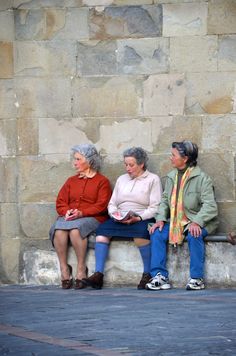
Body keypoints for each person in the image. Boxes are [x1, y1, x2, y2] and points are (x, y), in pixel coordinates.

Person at [82, 147, 163, 290]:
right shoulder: (121, 179)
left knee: (141, 235)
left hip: (141, 217)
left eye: (131, 165)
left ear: (141, 164)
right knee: (101, 233)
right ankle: (98, 275)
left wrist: (138, 218)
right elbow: (112, 203)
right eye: (125, 164)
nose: (127, 168)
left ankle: (147, 274)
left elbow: (155, 207)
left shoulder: (152, 179)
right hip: (120, 217)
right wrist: (115, 215)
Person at [145, 140, 218, 291]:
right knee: (157, 233)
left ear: (185, 159)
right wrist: (160, 219)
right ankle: (159, 276)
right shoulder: (172, 176)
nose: (170, 158)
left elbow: (210, 206)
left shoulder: (202, 178)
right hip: (176, 221)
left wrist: (197, 222)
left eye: (173, 155)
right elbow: (165, 200)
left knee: (194, 234)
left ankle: (197, 278)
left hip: (198, 221)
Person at [49, 144, 112, 289]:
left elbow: (102, 205)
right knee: (58, 230)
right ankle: (64, 268)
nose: (74, 163)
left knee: (76, 230)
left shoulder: (102, 181)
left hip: (93, 217)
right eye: (74, 159)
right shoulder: (71, 181)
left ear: (89, 161)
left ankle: (81, 268)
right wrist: (67, 212)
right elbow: (60, 201)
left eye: (78, 159)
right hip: (71, 216)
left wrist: (82, 213)